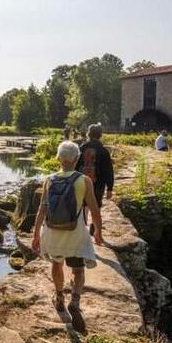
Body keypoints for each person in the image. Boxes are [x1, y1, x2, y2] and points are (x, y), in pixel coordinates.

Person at [32, 141, 103, 330]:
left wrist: (35, 235)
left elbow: (42, 209)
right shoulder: (83, 180)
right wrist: (98, 233)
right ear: (76, 158)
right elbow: (94, 211)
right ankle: (76, 301)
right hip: (75, 233)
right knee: (78, 270)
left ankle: (59, 296)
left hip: (53, 232)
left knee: (57, 264)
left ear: (58, 158)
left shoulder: (49, 180)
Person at [76, 124, 114, 207]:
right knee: (95, 208)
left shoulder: (81, 149)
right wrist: (109, 188)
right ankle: (95, 220)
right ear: (100, 135)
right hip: (98, 184)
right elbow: (108, 171)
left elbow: (76, 166)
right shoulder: (104, 151)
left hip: (82, 182)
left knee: (83, 208)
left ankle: (84, 219)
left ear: (88, 134)